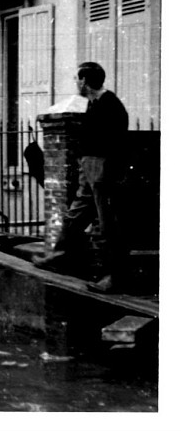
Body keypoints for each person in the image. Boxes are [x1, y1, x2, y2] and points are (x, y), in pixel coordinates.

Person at [33, 62, 129, 294]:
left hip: (102, 167)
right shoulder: (95, 104)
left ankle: (112, 277)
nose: (76, 82)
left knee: (107, 223)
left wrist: (101, 171)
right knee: (76, 214)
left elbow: (115, 143)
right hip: (90, 167)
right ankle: (59, 256)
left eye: (77, 78)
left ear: (85, 81)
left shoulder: (110, 105)